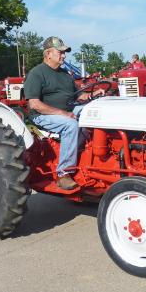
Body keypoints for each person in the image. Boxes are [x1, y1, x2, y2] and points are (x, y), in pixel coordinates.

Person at [24, 36, 104, 190]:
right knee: (71, 125)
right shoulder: (36, 73)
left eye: (64, 52)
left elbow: (78, 96)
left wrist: (93, 96)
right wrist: (63, 113)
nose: (64, 55)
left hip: (69, 109)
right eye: (60, 52)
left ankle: (94, 156)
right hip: (42, 115)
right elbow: (35, 104)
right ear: (48, 53)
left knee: (96, 113)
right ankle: (63, 173)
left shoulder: (65, 74)